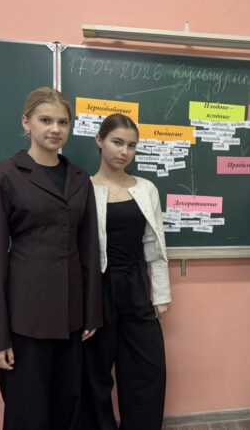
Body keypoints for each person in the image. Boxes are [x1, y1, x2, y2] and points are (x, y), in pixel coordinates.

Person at [0, 87, 102, 430]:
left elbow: (89, 248)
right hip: (25, 320)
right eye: (46, 120)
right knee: (27, 415)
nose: (55, 129)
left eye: (63, 122)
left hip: (71, 317)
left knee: (68, 409)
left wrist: (91, 311)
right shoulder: (1, 176)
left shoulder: (80, 179)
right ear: (26, 122)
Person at [80, 113, 171, 430]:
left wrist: (161, 295)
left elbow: (156, 246)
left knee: (148, 369)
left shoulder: (146, 188)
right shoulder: (82, 188)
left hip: (135, 287)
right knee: (93, 374)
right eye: (117, 142)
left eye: (131, 145)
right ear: (99, 141)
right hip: (97, 290)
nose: (124, 151)